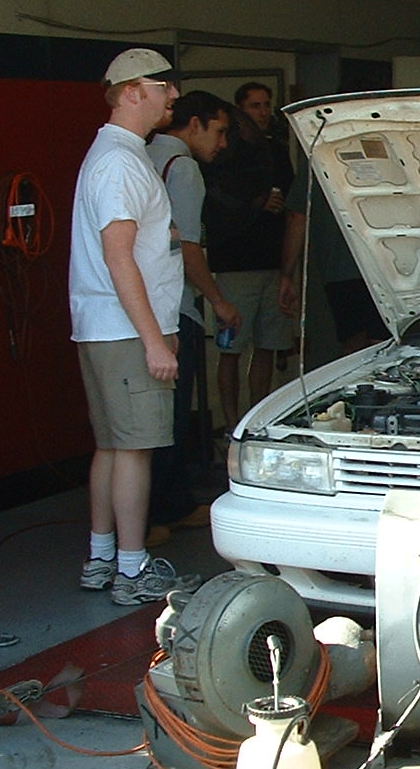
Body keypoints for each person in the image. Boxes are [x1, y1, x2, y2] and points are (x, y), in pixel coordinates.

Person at [69, 48, 200, 606]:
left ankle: (102, 558)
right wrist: (154, 340)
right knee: (136, 450)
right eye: (163, 85)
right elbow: (119, 255)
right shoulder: (120, 163)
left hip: (103, 327)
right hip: (126, 332)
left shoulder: (117, 155)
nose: (174, 95)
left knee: (113, 447)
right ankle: (132, 568)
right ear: (130, 92)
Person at [145, 91, 239, 542]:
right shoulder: (182, 168)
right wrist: (219, 301)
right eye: (219, 131)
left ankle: (168, 504)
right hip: (174, 307)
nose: (222, 144)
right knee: (172, 416)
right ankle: (160, 510)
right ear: (195, 124)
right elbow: (188, 248)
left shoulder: (142, 155)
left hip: (139, 307)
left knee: (153, 417)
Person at [201, 81, 293, 434]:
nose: (263, 112)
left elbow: (292, 202)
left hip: (273, 260)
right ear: (240, 110)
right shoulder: (222, 153)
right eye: (255, 105)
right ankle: (230, 424)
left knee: (268, 345)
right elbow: (215, 201)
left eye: (267, 104)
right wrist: (255, 202)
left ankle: (257, 422)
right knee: (231, 349)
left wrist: (290, 269)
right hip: (234, 262)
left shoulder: (276, 151)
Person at [278, 163, 388, 361]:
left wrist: (287, 275)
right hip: (392, 266)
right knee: (386, 344)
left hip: (342, 268)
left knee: (354, 346)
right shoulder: (390, 154)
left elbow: (298, 218)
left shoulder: (320, 157)